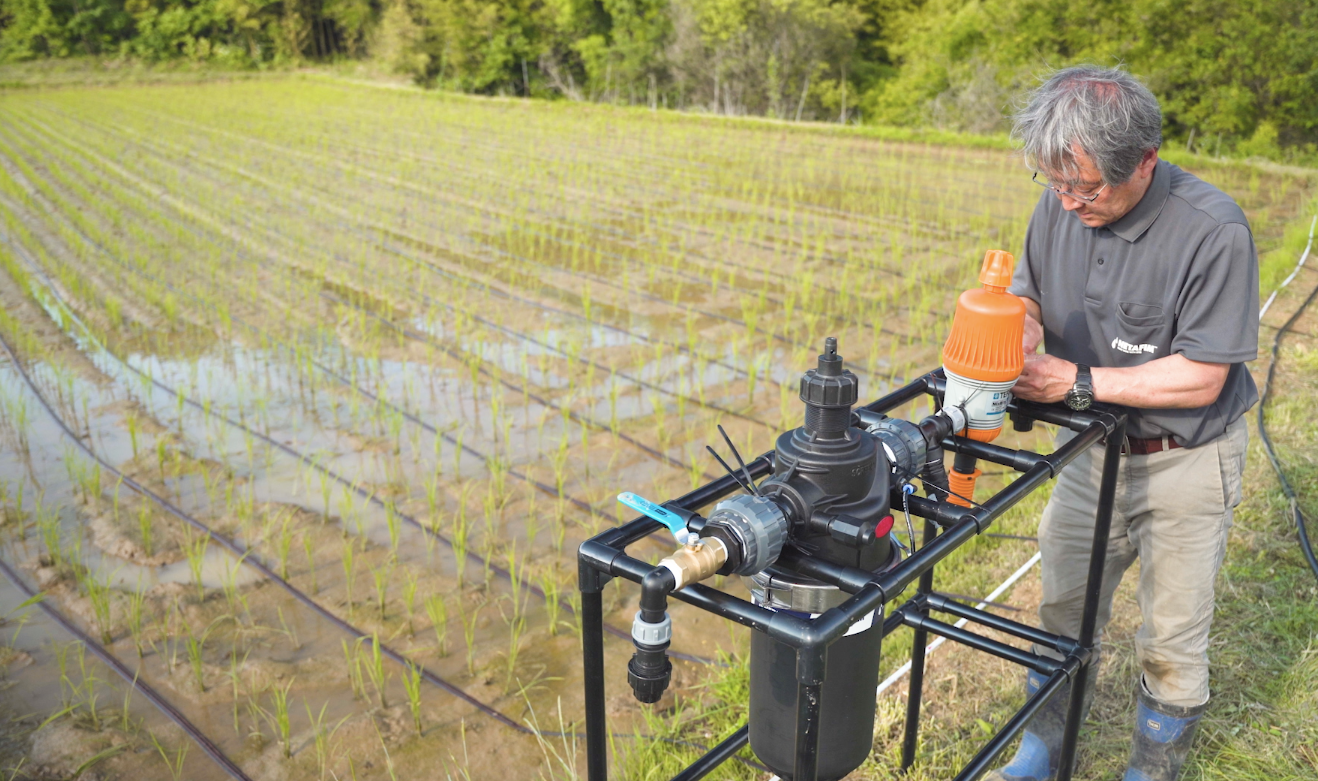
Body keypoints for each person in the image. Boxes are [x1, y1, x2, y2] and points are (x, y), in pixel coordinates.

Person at [986, 66, 1260, 781]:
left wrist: (1074, 381)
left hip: (1185, 454)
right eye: (1057, 184)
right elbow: (1030, 296)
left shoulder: (1213, 231)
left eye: (1088, 188)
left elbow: (1204, 375)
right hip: (1090, 447)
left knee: (1171, 635)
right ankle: (1041, 750)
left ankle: (1150, 768)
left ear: (1146, 159)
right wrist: (1018, 333)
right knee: (1062, 607)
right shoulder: (1059, 204)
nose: (1071, 202)